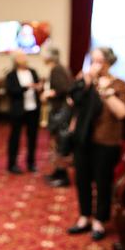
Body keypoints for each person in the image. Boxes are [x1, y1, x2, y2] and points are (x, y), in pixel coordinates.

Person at [67, 47, 125, 241]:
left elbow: (122, 113)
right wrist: (83, 84)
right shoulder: (86, 82)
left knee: (103, 182)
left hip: (106, 141)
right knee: (82, 180)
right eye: (92, 60)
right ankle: (84, 217)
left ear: (109, 62)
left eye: (99, 61)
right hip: (83, 140)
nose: (95, 65)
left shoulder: (119, 85)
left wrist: (105, 91)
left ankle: (99, 221)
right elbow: (71, 102)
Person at [5, 50, 42, 174]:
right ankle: (12, 164)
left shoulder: (33, 72)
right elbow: (11, 91)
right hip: (18, 110)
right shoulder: (11, 75)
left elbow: (38, 86)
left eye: (24, 56)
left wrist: (38, 87)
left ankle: (31, 163)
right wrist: (26, 87)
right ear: (16, 60)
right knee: (15, 138)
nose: (24, 58)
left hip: (33, 109)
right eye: (21, 57)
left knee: (32, 137)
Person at [41, 48, 73, 186]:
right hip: (60, 111)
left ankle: (62, 176)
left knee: (59, 144)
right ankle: (58, 173)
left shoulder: (57, 70)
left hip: (60, 112)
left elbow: (64, 89)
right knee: (57, 143)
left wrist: (49, 93)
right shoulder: (59, 68)